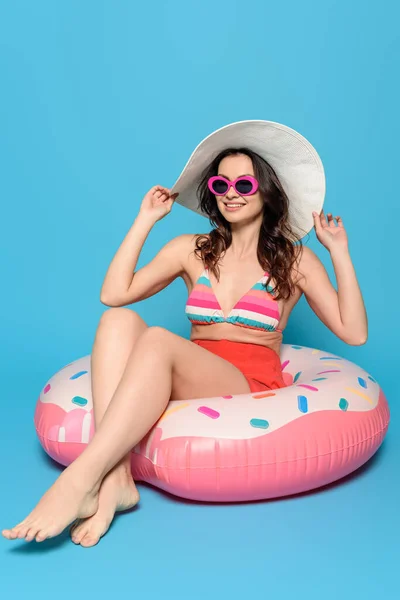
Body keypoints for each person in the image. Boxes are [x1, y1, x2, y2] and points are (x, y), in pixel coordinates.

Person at [2, 121, 367, 547]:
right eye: (220, 183)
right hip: (189, 372)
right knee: (117, 321)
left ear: (266, 191)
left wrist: (339, 251)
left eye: (244, 183)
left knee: (156, 338)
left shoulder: (295, 260)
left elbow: (354, 333)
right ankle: (117, 480)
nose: (231, 193)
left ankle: (78, 479)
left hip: (248, 383)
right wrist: (146, 220)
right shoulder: (193, 250)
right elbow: (113, 294)